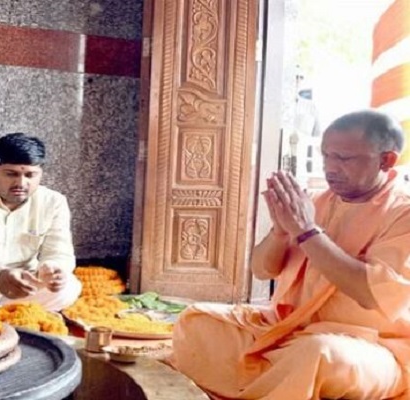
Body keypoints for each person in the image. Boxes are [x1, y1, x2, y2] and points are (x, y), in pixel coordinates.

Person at [167, 110, 410, 399]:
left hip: (372, 347)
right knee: (196, 322)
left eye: (344, 159)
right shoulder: (315, 202)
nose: (331, 168)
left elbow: (370, 292)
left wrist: (307, 231)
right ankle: (274, 384)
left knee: (319, 355)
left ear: (386, 160)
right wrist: (281, 232)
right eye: (326, 156)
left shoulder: (402, 214)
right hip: (287, 330)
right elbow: (262, 270)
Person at [0, 132, 81, 312]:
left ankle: (2, 316)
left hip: (21, 289)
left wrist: (52, 269)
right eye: (11, 174)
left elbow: (60, 252)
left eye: (30, 175)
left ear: (41, 174)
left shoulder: (53, 202)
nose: (21, 183)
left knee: (69, 287)